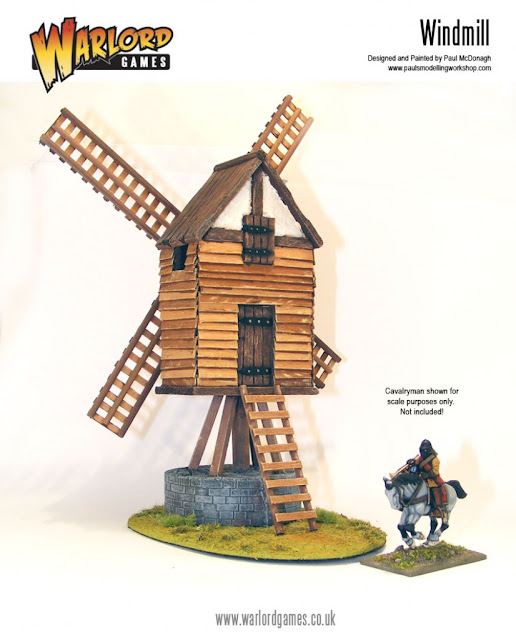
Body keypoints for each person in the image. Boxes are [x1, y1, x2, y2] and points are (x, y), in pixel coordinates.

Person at [408, 439, 448, 514]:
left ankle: (438, 508)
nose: (424, 451)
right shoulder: (420, 459)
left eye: (426, 450)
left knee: (434, 491)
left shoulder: (435, 460)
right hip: (421, 479)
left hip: (432, 480)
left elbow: (434, 472)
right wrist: (411, 462)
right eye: (423, 450)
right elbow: (416, 464)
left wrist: (425, 475)